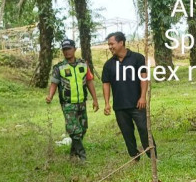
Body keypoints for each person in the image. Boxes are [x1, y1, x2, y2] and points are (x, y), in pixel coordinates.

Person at [102, 31, 156, 160]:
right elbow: (106, 84)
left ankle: (152, 156)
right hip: (120, 106)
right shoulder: (108, 65)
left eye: (112, 44)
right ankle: (134, 156)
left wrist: (143, 96)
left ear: (121, 43)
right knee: (127, 133)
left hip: (137, 103)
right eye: (108, 45)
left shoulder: (137, 58)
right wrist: (107, 103)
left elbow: (144, 78)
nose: (110, 47)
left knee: (144, 129)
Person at [46, 39, 99, 161]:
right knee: (74, 130)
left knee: (83, 128)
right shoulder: (59, 68)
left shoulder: (83, 65)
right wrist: (50, 96)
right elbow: (54, 83)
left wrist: (95, 99)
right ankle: (82, 157)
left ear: (74, 49)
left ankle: (73, 154)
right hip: (68, 104)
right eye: (64, 50)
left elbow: (89, 82)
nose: (67, 52)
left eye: (69, 49)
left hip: (82, 102)